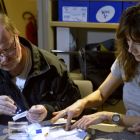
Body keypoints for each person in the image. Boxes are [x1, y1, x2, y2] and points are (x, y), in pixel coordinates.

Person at [51, 4, 140, 134]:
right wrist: (82, 103)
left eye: (137, 42)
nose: (131, 49)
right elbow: (101, 94)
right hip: (130, 133)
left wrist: (106, 116)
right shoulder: (127, 58)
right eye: (128, 40)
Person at [0, 13, 81, 125]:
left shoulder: (51, 67)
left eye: (8, 49)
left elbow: (74, 107)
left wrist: (48, 110)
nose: (4, 59)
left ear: (16, 36)